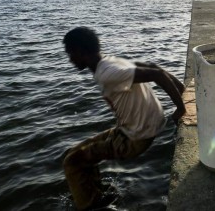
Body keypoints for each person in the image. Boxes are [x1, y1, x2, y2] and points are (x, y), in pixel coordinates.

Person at [62, 26, 186, 210]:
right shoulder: (109, 62)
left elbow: (156, 74)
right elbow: (154, 66)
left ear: (81, 52)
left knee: (71, 162)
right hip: (132, 129)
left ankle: (90, 206)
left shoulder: (107, 73)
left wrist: (180, 108)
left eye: (71, 54)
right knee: (75, 153)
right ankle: (97, 193)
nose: (70, 60)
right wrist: (182, 90)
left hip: (135, 138)